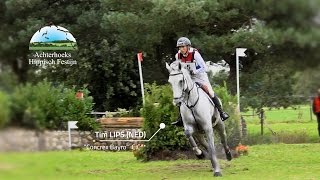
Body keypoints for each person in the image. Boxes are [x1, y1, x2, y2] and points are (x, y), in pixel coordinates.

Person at [171, 37, 229, 126]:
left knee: (210, 92)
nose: (181, 49)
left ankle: (221, 113)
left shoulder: (195, 54)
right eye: (180, 47)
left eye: (183, 47)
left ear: (188, 46)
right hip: (189, 78)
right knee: (181, 94)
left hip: (200, 76)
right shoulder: (177, 55)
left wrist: (195, 71)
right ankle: (181, 118)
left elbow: (205, 67)